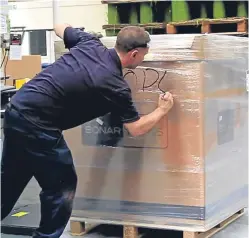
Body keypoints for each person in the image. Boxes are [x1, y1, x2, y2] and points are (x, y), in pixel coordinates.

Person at [1, 24, 174, 237]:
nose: (143, 60)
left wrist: (82, 30)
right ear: (134, 54)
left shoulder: (89, 43)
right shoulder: (114, 85)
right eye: (143, 56)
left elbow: (59, 27)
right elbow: (136, 128)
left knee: (11, 179)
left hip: (16, 109)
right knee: (61, 186)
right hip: (39, 125)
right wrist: (162, 110)